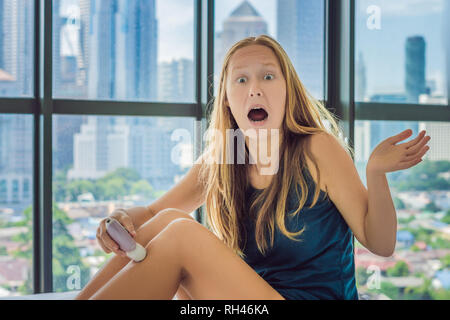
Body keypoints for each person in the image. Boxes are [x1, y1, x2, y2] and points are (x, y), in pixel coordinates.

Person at [74, 35, 431, 300]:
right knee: (168, 222)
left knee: (181, 234)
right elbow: (153, 213)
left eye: (268, 77)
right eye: (241, 80)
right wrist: (121, 221)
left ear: (288, 90)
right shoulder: (228, 154)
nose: (255, 89)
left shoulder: (315, 147)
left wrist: (376, 174)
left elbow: (381, 244)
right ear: (227, 99)